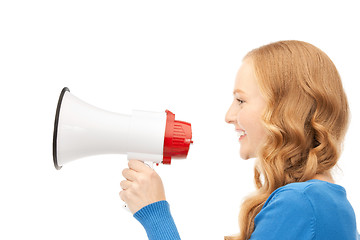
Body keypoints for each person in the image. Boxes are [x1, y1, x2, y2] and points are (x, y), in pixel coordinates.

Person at [119, 40, 360, 240]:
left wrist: (155, 214)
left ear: (285, 110)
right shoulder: (323, 201)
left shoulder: (300, 204)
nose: (228, 116)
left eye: (241, 101)